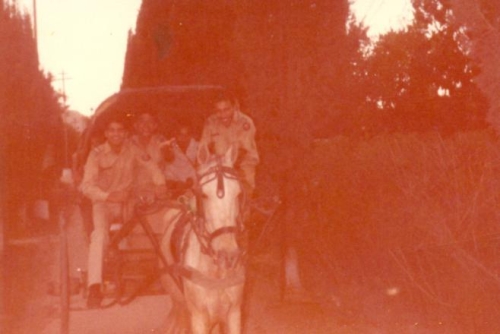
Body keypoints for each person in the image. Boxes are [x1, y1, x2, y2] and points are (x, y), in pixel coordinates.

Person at [80, 114, 165, 308]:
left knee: (153, 226)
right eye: (112, 130)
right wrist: (108, 196)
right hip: (104, 204)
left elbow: (151, 166)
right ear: (106, 134)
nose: (116, 134)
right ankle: (94, 286)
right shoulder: (97, 154)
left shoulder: (133, 149)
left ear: (126, 133)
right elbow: (86, 186)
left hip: (129, 203)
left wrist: (160, 185)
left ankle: (159, 271)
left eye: (120, 130)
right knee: (99, 236)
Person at [199, 91, 259, 196]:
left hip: (242, 164)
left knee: (243, 194)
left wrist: (228, 169)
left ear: (234, 107)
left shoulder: (245, 122)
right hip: (218, 165)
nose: (223, 115)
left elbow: (243, 150)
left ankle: (246, 211)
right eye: (218, 111)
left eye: (226, 110)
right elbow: (205, 147)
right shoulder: (211, 122)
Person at [163, 124, 198, 196]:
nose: (183, 138)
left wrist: (192, 181)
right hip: (177, 188)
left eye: (187, 134)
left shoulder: (198, 147)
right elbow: (168, 173)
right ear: (175, 135)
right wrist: (176, 184)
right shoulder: (170, 149)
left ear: (191, 135)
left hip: (195, 187)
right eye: (180, 134)